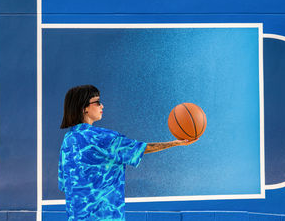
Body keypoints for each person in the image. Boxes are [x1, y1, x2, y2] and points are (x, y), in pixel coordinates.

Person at [58, 85, 197, 220]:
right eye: (97, 102)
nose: (102, 106)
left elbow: (64, 184)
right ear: (84, 108)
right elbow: (140, 148)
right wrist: (175, 143)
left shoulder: (68, 141)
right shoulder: (101, 137)